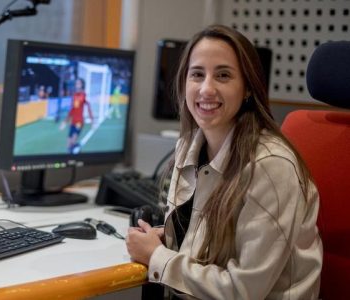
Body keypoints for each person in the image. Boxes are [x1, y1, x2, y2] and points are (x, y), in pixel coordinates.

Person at [125, 25, 322, 299]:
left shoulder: (270, 165)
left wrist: (157, 257)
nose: (206, 88)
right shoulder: (189, 145)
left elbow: (244, 290)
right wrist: (170, 237)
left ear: (248, 89)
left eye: (223, 75)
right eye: (197, 74)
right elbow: (214, 236)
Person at [59, 78, 94, 154]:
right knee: (68, 144)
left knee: (72, 141)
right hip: (73, 121)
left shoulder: (84, 95)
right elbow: (72, 110)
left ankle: (77, 148)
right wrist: (65, 121)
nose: (77, 85)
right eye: (76, 83)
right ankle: (77, 148)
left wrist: (92, 120)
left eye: (78, 83)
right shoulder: (74, 95)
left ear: (82, 85)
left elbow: (89, 108)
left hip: (79, 122)